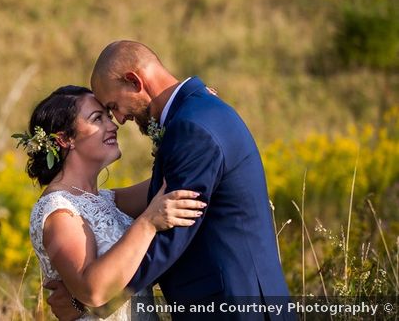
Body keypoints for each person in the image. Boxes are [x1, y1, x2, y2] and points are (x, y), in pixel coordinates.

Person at [45, 41, 293, 320]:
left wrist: (89, 301)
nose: (119, 119)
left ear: (134, 81)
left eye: (113, 106)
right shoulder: (199, 112)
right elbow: (153, 199)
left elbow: (170, 234)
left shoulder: (192, 128)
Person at [19, 85, 207, 321]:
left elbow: (177, 183)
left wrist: (197, 107)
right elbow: (92, 291)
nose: (113, 126)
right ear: (65, 139)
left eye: (108, 117)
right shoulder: (58, 211)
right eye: (98, 119)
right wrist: (148, 223)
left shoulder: (109, 200)